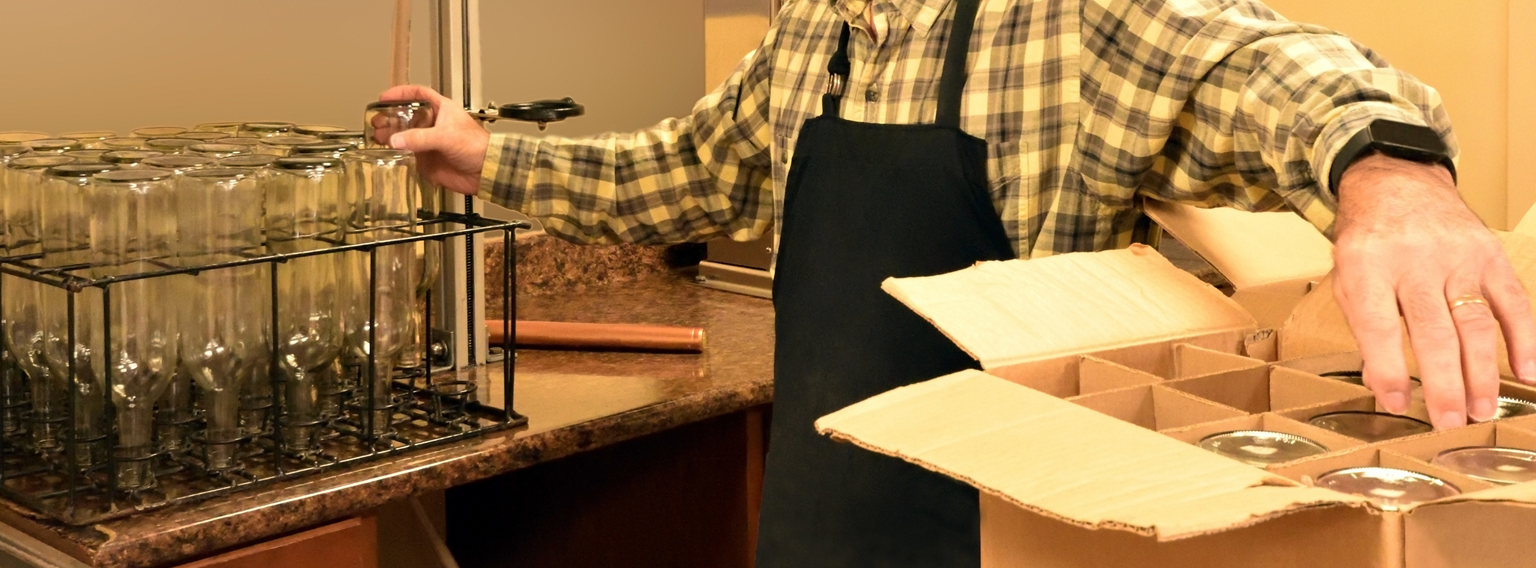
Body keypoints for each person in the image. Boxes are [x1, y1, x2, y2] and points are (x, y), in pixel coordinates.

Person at [380, 0, 1535, 565]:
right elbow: (686, 173)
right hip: (823, 516)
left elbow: (1272, 64)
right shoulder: (813, 27)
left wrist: (1389, 174)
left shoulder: (1081, 19)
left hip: (1004, 537)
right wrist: (480, 153)